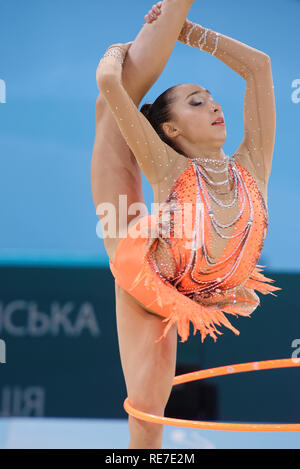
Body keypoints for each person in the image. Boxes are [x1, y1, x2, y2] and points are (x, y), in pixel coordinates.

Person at [92, 0, 281, 449]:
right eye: (198, 103)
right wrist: (116, 51)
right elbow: (109, 84)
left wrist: (189, 31)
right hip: (144, 273)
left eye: (214, 100)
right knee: (146, 419)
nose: (216, 107)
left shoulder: (253, 164)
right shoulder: (168, 168)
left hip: (198, 282)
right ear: (172, 131)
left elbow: (259, 68)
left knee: (149, 414)